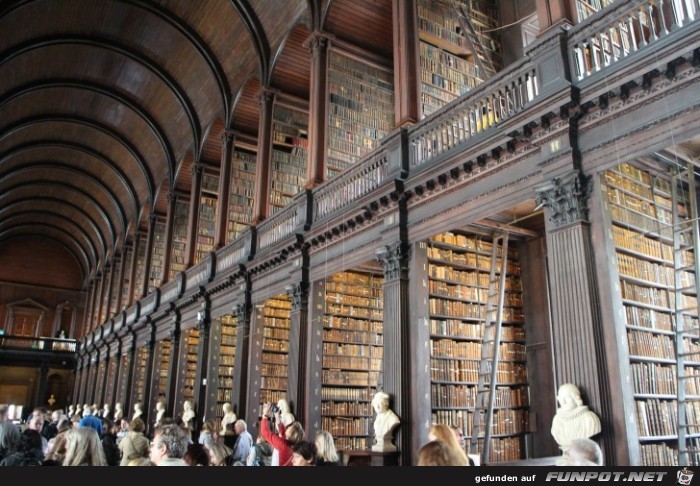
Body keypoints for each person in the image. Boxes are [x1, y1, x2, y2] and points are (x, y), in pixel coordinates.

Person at [551, 383, 602, 453]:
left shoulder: (589, 418)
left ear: (575, 398)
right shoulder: (557, 421)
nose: (563, 402)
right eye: (561, 398)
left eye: (567, 397)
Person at [260, 401, 304, 466]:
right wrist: (277, 415)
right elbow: (282, 431)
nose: (287, 428)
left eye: (289, 427)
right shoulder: (293, 447)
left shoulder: (282, 444)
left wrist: (265, 416)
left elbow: (265, 432)